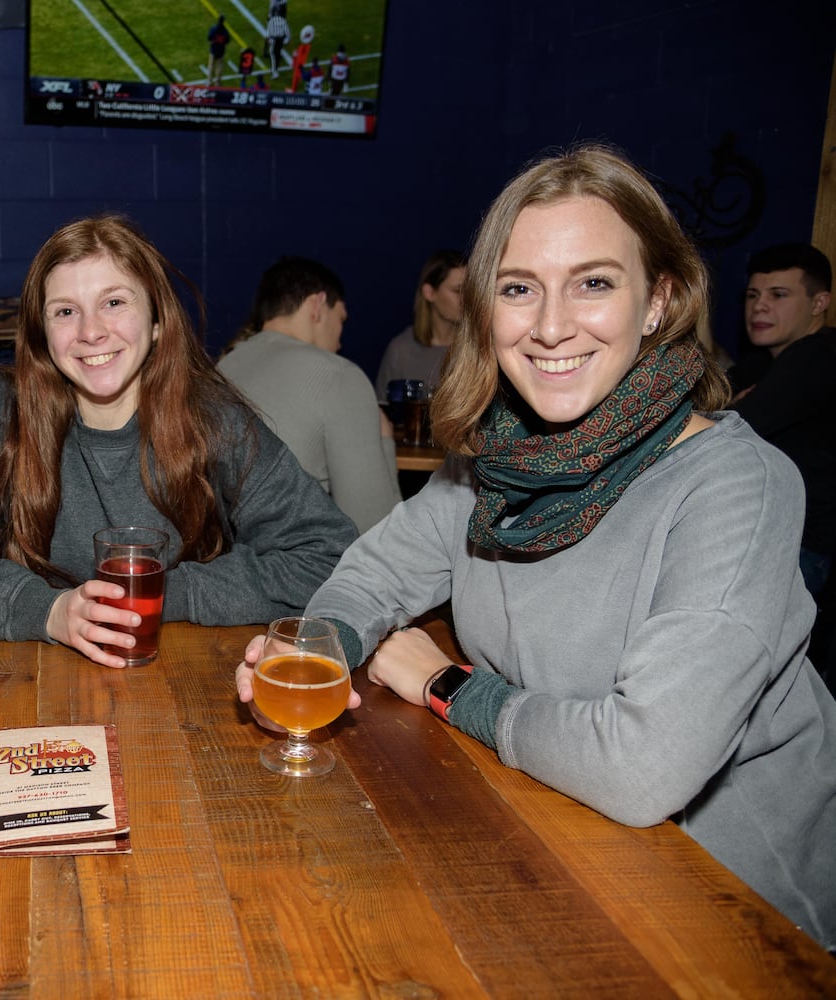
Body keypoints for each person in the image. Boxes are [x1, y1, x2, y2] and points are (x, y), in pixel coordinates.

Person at [236, 144, 836, 950]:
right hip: (557, 840)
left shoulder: (738, 486)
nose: (552, 326)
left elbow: (641, 766)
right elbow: (374, 571)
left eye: (594, 282)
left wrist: (445, 685)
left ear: (657, 300)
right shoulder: (496, 459)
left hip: (739, 910)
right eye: (520, 289)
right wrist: (325, 650)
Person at [0, 213, 356, 669]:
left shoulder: (214, 419)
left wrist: (169, 593)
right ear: (42, 334)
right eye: (66, 311)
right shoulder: (0, 412)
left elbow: (327, 553)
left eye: (114, 302)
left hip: (186, 678)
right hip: (28, 680)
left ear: (156, 323)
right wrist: (47, 611)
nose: (91, 332)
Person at [218, 256, 402, 533]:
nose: (340, 341)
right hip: (301, 568)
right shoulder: (339, 375)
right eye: (341, 319)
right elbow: (373, 529)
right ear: (317, 305)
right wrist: (385, 441)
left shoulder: (221, 367)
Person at [728, 242, 835, 598]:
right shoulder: (763, 360)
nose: (759, 305)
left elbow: (727, 429)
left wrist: (725, 412)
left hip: (800, 549)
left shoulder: (818, 354)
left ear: (819, 304)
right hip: (768, 539)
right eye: (753, 294)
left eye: (778, 294)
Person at [373, 249, 466, 401]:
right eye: (458, 290)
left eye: (469, 290)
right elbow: (382, 413)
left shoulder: (478, 348)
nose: (466, 298)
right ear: (429, 293)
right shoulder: (401, 350)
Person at [265, 1, 290, 79]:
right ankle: (276, 66)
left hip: (274, 40)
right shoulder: (283, 20)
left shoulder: (271, 21)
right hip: (281, 39)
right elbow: (287, 31)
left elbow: (269, 32)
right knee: (278, 53)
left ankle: (274, 71)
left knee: (273, 53)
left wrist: (269, 39)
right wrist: (287, 39)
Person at [206, 15, 231, 86]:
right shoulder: (225, 30)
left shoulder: (214, 28)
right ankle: (217, 82)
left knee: (211, 66)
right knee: (219, 66)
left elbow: (209, 38)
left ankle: (209, 81)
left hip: (213, 49)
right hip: (221, 50)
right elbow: (227, 41)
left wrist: (214, 41)